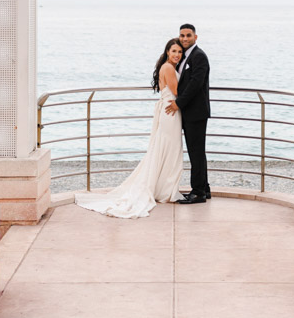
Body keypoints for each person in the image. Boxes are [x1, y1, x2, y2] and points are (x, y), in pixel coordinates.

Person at [74, 38, 185, 218]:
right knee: (169, 150)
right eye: (174, 51)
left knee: (164, 149)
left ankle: (162, 188)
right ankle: (165, 190)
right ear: (167, 52)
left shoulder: (167, 67)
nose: (177, 55)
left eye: (179, 52)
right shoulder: (169, 68)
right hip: (170, 111)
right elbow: (178, 92)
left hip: (167, 109)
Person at [166, 23, 211, 204]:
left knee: (196, 153)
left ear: (195, 37)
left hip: (196, 112)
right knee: (197, 152)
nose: (185, 39)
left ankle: (198, 192)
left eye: (188, 35)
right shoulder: (185, 56)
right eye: (182, 35)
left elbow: (195, 84)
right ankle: (204, 188)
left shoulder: (199, 56)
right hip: (189, 112)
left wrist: (178, 103)